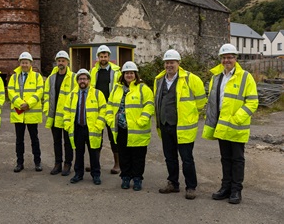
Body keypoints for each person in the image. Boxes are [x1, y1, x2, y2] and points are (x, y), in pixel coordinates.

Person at [202, 44, 258, 204]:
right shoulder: (216, 77)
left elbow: (253, 102)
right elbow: (214, 102)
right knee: (225, 158)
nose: (227, 60)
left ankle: (236, 191)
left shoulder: (246, 77)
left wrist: (237, 118)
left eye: (230, 57)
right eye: (224, 57)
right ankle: (225, 188)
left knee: (237, 159)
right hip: (221, 126)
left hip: (236, 127)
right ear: (221, 59)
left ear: (235, 59)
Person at [153, 49, 207, 199]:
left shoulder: (191, 79)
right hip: (165, 125)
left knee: (187, 159)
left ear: (178, 63)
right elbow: (157, 101)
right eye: (167, 62)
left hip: (183, 127)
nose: (169, 65)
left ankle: (191, 187)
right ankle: (173, 183)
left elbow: (201, 102)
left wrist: (190, 116)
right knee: (169, 157)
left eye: (172, 62)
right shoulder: (159, 80)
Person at [106, 61, 154, 191]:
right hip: (121, 128)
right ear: (123, 74)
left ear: (135, 74)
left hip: (138, 129)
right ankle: (125, 177)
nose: (129, 75)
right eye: (127, 73)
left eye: (131, 73)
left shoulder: (143, 88)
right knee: (124, 155)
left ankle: (137, 179)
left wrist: (143, 119)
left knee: (138, 156)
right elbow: (109, 105)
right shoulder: (117, 88)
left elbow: (149, 105)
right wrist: (110, 120)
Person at [64, 69, 107, 185]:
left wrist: (99, 125)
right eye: (80, 79)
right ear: (77, 80)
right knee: (79, 152)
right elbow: (66, 111)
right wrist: (67, 125)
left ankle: (96, 175)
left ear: (89, 80)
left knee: (94, 153)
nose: (82, 81)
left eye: (84, 79)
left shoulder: (98, 94)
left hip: (92, 128)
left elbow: (104, 110)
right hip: (77, 128)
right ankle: (78, 174)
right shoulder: (72, 95)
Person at [7, 51, 44, 172]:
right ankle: (19, 163)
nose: (24, 65)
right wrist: (20, 104)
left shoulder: (37, 77)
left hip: (32, 113)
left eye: (26, 62)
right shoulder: (14, 77)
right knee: (19, 140)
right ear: (19, 63)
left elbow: (39, 91)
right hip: (19, 113)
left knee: (35, 139)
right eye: (22, 62)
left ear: (31, 64)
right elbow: (11, 92)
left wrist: (28, 104)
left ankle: (37, 162)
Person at [90, 45, 121, 174]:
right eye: (101, 56)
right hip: (97, 108)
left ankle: (117, 164)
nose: (103, 58)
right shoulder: (93, 71)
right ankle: (95, 164)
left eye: (105, 56)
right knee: (96, 136)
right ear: (98, 58)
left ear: (109, 57)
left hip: (111, 108)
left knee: (113, 136)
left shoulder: (116, 71)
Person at [43, 50, 76, 176]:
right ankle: (58, 163)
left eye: (63, 60)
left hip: (67, 116)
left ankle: (68, 164)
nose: (61, 63)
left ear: (67, 62)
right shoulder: (51, 78)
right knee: (56, 141)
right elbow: (46, 95)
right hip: (54, 115)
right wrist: (47, 109)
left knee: (68, 141)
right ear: (56, 62)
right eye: (59, 61)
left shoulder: (73, 77)